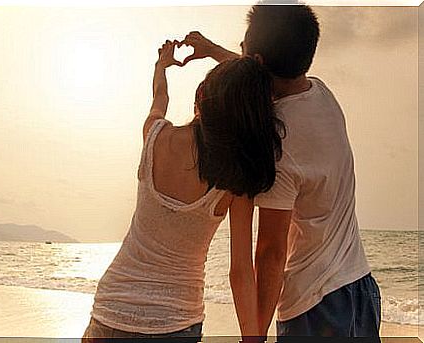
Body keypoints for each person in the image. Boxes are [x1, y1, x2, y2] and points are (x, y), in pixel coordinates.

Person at [180, 4, 381, 341]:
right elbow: (255, 75)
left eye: (243, 50)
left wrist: (254, 334)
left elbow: (271, 252)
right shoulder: (321, 93)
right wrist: (213, 50)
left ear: (256, 61)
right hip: (361, 289)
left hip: (316, 306)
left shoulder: (279, 144)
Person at [82, 39, 285, 342]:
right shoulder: (235, 179)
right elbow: (241, 271)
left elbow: (159, 97)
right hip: (176, 321)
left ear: (200, 97)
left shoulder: (155, 136)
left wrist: (162, 66)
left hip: (112, 308)